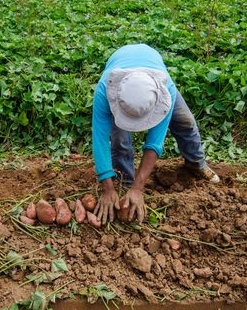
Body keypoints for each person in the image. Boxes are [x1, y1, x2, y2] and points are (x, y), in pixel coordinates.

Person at [92, 44, 220, 224]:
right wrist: (107, 188)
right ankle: (125, 181)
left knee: (186, 123)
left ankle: (196, 163)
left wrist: (139, 188)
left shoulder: (166, 90)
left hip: (155, 74)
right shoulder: (106, 90)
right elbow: (100, 140)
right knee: (120, 140)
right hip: (120, 76)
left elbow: (154, 143)